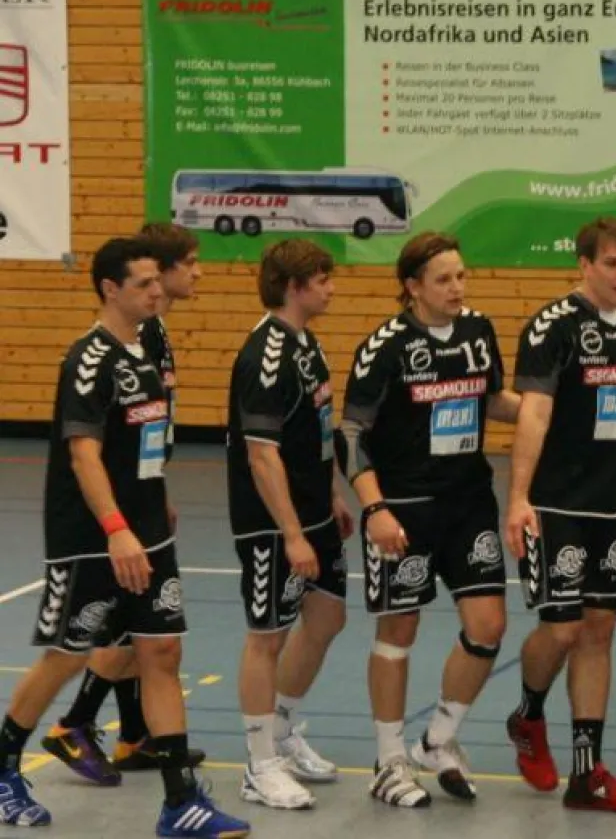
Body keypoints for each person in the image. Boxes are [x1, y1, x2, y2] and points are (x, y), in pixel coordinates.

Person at [0, 237, 248, 836]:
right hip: (93, 536)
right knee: (68, 655)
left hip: (147, 531)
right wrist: (116, 530)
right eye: (144, 284)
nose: (157, 291)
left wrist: (156, 498)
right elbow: (84, 454)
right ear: (111, 289)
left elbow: (142, 439)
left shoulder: (143, 352)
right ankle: (4, 766)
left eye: (157, 281)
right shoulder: (89, 360)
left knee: (161, 652)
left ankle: (179, 802)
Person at [336, 231, 519, 808]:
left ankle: (438, 740)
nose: (457, 288)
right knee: (399, 630)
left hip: (468, 503)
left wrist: (549, 412)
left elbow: (493, 399)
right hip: (404, 510)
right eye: (444, 279)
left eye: (461, 276)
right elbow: (350, 433)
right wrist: (375, 508)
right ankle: (389, 760)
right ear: (413, 286)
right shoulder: (385, 347)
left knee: (488, 625)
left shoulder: (478, 331)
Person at [504, 216, 616, 814]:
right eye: (612, 264)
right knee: (563, 629)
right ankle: (527, 715)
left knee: (600, 629)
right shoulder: (552, 326)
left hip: (610, 501)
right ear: (584, 265)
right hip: (555, 503)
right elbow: (534, 414)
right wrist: (518, 498)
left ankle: (587, 774)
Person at [40, 223, 206, 785]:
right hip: (111, 515)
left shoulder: (151, 332)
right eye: (186, 263)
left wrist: (157, 489)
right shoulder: (128, 338)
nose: (196, 273)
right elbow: (99, 441)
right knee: (122, 632)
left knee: (145, 634)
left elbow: (151, 424)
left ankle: (136, 735)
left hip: (143, 493)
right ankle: (72, 724)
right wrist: (122, 517)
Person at [226, 239, 354, 810]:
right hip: (272, 524)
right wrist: (293, 534)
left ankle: (280, 728)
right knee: (267, 636)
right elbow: (262, 455)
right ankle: (259, 765)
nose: (331, 288)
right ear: (294, 287)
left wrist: (331, 493)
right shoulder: (265, 357)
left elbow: (316, 428)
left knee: (327, 617)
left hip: (316, 511)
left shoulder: (309, 343)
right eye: (322, 280)